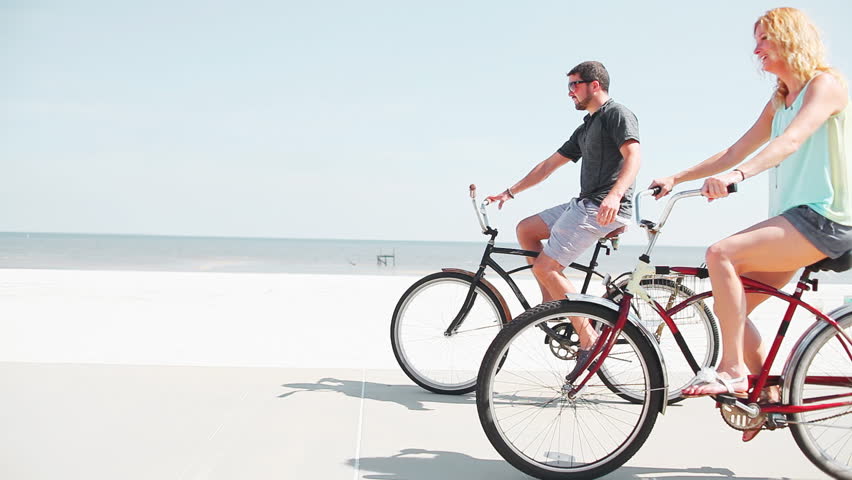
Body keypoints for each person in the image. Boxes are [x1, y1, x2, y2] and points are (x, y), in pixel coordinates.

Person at [650, 7, 852, 441]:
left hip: (825, 218)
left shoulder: (825, 86)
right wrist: (676, 177)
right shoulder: (780, 99)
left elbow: (791, 140)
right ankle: (768, 393)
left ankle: (734, 370)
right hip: (794, 221)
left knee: (720, 253)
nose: (756, 48)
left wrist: (737, 178)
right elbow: (734, 151)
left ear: (789, 39)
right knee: (733, 310)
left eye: (764, 38)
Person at [486, 60, 641, 377]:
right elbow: (547, 166)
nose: (570, 92)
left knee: (546, 266)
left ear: (594, 85)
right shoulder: (586, 127)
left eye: (574, 85)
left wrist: (614, 195)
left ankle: (588, 339)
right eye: (568, 86)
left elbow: (634, 157)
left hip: (602, 206)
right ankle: (554, 308)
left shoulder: (617, 114)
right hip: (584, 203)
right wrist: (509, 192)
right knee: (526, 230)